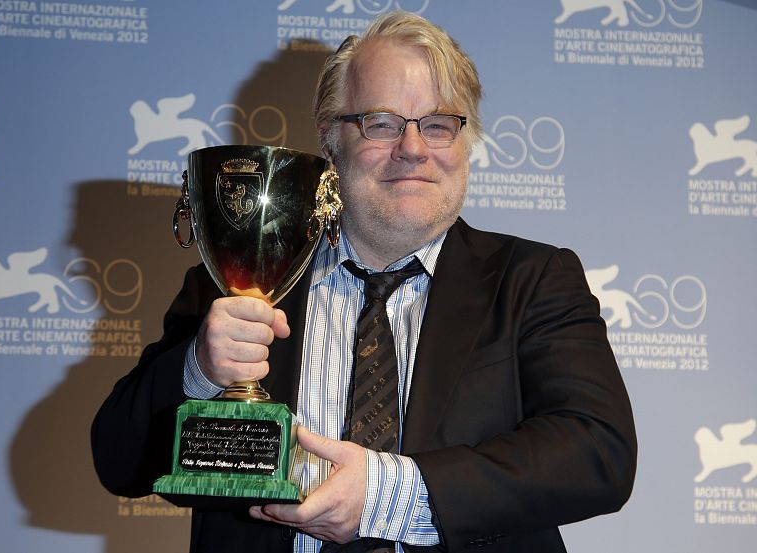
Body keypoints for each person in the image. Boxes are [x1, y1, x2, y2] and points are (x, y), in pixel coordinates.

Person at [92, 11, 637, 553]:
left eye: (439, 124)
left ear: (465, 141)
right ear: (331, 142)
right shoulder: (239, 282)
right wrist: (199, 371)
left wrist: (386, 494)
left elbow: (598, 453)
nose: (414, 148)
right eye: (381, 123)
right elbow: (119, 462)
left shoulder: (533, 279)